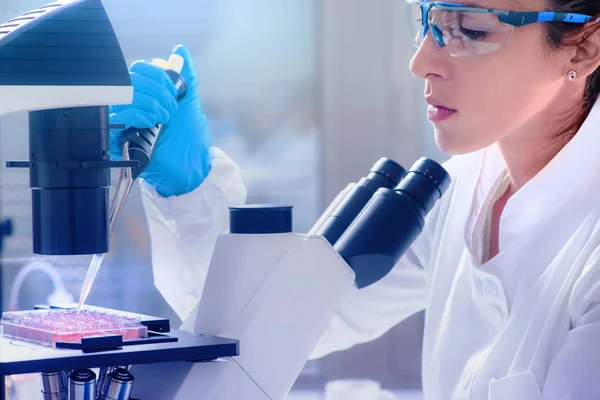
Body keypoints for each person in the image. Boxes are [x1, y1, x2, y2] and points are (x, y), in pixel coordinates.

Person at [110, 0, 600, 396]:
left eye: (468, 29)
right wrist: (189, 188)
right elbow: (267, 330)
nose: (420, 63)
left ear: (583, 48)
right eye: (425, 19)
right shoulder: (462, 187)